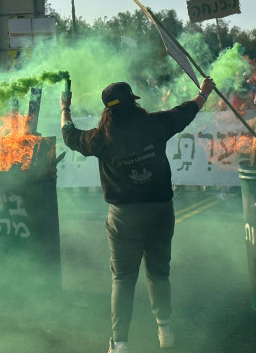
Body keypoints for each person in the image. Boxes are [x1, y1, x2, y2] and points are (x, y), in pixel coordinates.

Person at [60, 77, 216, 353]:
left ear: (108, 110)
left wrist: (65, 108)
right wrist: (203, 93)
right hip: (160, 211)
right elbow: (186, 111)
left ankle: (119, 343)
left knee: (122, 278)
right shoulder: (154, 124)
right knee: (159, 273)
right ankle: (165, 331)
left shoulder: (100, 139)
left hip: (124, 217)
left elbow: (69, 135)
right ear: (133, 102)